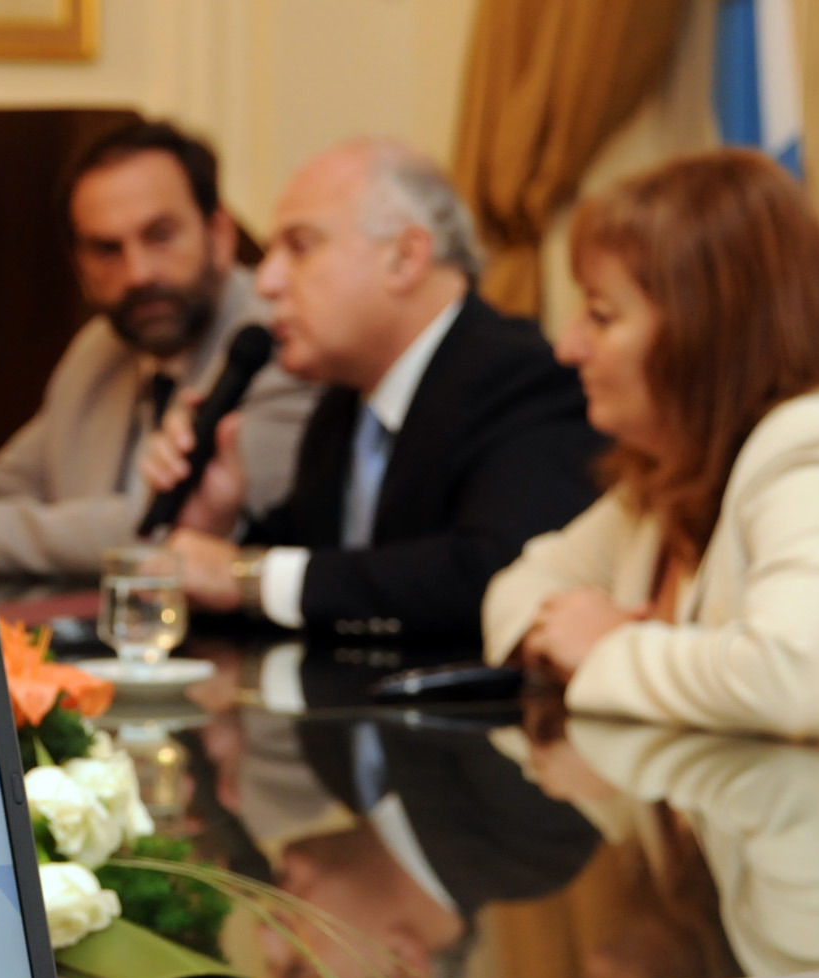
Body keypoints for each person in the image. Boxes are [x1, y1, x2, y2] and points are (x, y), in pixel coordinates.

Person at [482, 149, 819, 787]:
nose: (568, 346)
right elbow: (519, 587)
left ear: (706, 332)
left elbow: (796, 682)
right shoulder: (675, 467)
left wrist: (605, 649)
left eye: (601, 316)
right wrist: (569, 635)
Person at [141, 137, 601, 640]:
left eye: (299, 247)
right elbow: (312, 568)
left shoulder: (524, 379)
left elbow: (492, 573)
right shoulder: (343, 403)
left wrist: (246, 577)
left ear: (405, 258)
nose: (267, 281)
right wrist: (218, 523)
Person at [0, 120, 317, 576]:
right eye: (107, 249)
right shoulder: (102, 348)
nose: (138, 273)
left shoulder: (286, 341)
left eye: (160, 236)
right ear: (78, 266)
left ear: (221, 235)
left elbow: (160, 523)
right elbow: (16, 479)